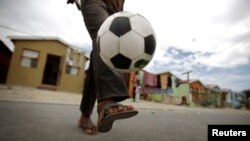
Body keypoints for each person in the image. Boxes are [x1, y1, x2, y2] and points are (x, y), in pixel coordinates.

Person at [67, 0, 138, 135]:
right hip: (94, 1)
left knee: (98, 57)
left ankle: (85, 116)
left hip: (115, 11)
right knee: (105, 37)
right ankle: (106, 102)